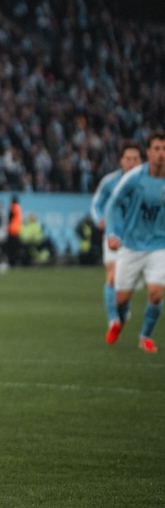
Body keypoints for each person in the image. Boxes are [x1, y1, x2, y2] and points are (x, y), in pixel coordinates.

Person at [103, 131, 165, 353]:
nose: (161, 153)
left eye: (164, 149)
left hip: (159, 245)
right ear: (148, 152)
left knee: (156, 293)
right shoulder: (135, 177)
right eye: (157, 148)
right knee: (121, 300)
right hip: (131, 244)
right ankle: (121, 318)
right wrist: (113, 233)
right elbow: (113, 203)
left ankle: (145, 336)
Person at [90, 141, 143, 328]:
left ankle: (123, 307)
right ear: (121, 160)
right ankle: (113, 321)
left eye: (135, 159)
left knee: (129, 283)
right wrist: (100, 219)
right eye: (128, 159)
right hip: (114, 235)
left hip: (138, 239)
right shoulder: (110, 181)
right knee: (112, 276)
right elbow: (96, 203)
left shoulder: (148, 182)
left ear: (141, 161)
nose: (131, 162)